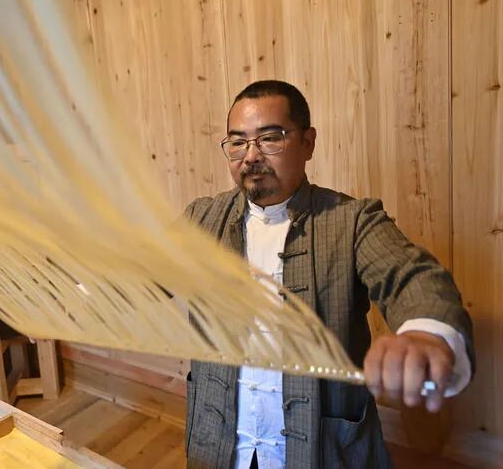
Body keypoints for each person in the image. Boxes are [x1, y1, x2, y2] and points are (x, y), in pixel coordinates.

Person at [183, 80, 474, 469]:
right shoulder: (202, 217)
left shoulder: (351, 221)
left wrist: (426, 334)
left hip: (324, 449)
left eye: (270, 138)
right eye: (238, 142)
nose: (251, 156)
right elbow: (145, 271)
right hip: (220, 446)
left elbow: (411, 276)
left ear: (307, 143)